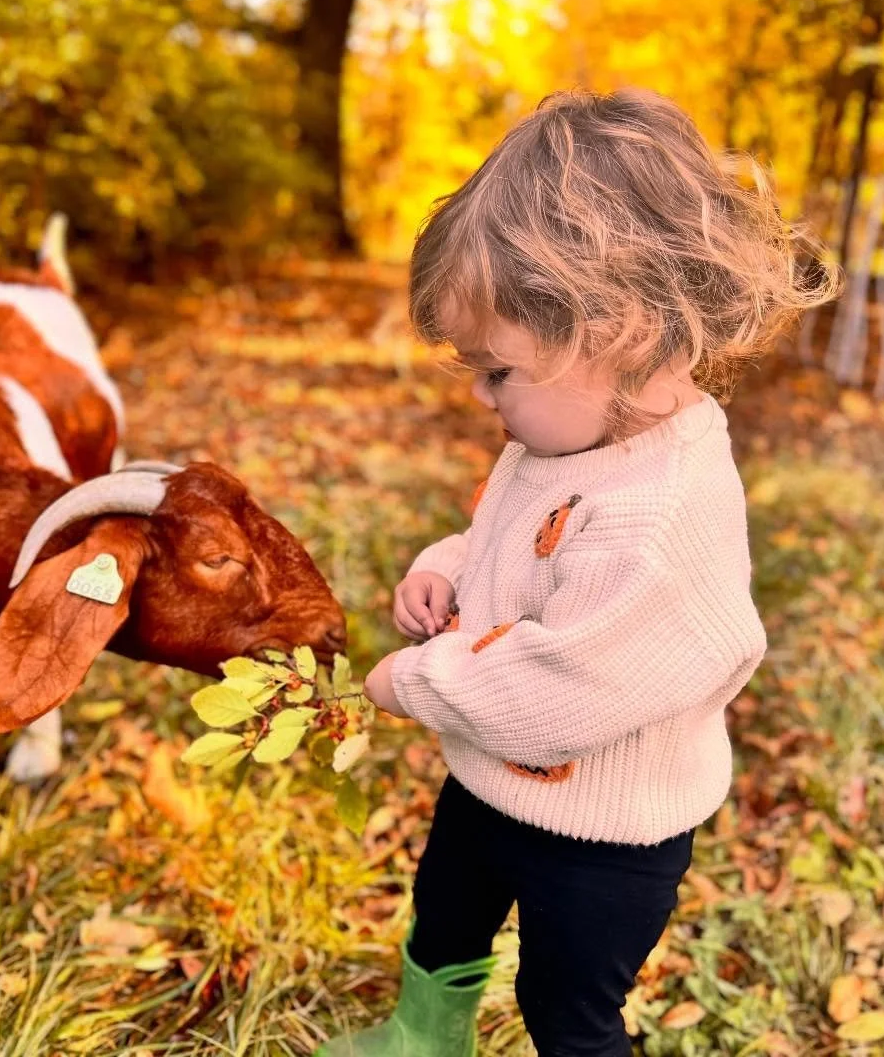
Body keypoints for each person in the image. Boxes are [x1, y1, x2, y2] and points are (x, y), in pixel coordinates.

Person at [322, 88, 838, 1056]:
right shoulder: (565, 435)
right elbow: (512, 546)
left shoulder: (662, 519)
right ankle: (426, 1034)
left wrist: (413, 683)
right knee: (446, 913)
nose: (480, 396)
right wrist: (449, 572)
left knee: (567, 1006)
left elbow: (565, 687)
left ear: (623, 332)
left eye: (496, 371)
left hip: (604, 839)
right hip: (492, 783)